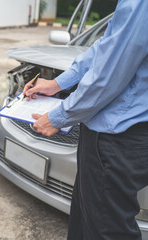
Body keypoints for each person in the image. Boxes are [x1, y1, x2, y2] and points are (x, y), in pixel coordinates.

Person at [22, 0, 148, 239]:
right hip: (117, 136)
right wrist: (58, 83)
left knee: (106, 229)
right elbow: (107, 46)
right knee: (88, 220)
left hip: (118, 137)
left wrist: (59, 116)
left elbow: (110, 72)